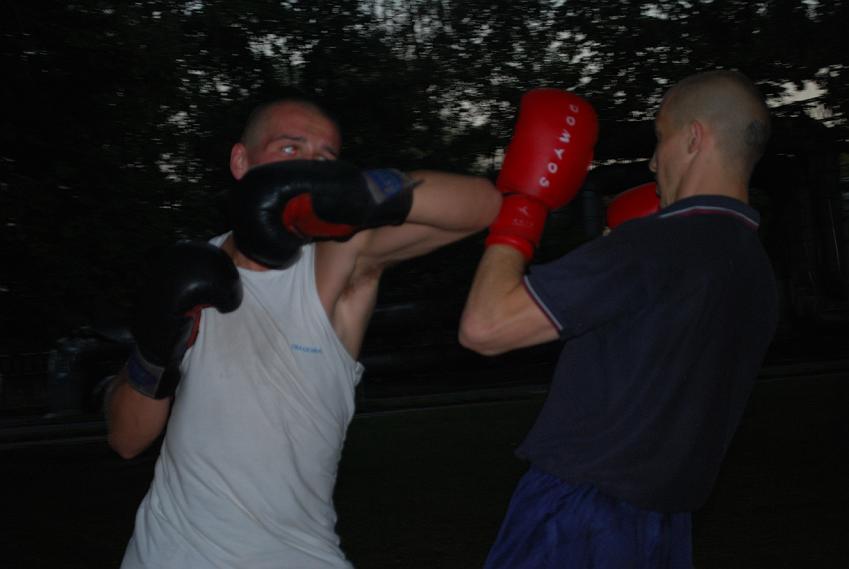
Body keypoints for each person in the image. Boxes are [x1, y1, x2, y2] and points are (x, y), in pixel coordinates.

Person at [106, 97, 501, 568]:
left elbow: (484, 206)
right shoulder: (189, 270)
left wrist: (361, 192)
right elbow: (126, 439)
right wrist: (156, 349)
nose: (310, 169)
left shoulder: (336, 260)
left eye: (325, 160)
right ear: (241, 162)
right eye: (291, 150)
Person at [459, 70, 778, 568]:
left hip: (578, 517)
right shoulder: (758, 272)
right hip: (666, 527)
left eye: (660, 137)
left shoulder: (655, 245)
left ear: (694, 138)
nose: (652, 161)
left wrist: (522, 208)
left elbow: (485, 326)